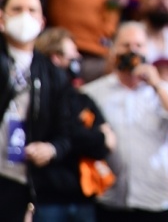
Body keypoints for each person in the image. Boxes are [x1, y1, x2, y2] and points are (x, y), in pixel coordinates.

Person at [81, 21, 168, 221]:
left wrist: (157, 85)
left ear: (148, 51)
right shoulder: (93, 93)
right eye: (126, 45)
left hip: (153, 201)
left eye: (139, 45)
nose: (133, 51)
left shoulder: (165, 91)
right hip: (109, 200)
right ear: (113, 50)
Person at [0, 0, 73, 222]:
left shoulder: (53, 74)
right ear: (1, 18)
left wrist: (51, 149)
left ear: (42, 22)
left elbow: (65, 133)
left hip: (20, 179)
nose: (25, 16)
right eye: (17, 9)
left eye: (32, 10)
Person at [34, 27, 117, 222]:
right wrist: (96, 137)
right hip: (47, 198)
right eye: (72, 54)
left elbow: (106, 146)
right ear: (55, 57)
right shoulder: (38, 96)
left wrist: (93, 138)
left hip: (83, 198)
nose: (78, 58)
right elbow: (64, 134)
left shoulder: (83, 99)